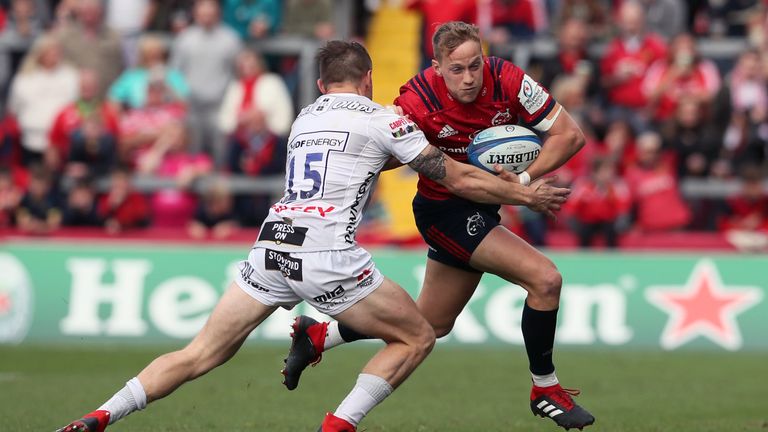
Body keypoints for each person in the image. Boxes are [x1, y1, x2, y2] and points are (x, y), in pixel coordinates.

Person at [54, 40, 569, 432]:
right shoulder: (383, 119)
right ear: (369, 79)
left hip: (271, 246)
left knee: (198, 355)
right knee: (417, 336)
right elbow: (452, 177)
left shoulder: (304, 118)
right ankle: (337, 425)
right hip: (327, 253)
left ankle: (102, 414)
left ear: (322, 85)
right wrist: (525, 194)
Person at [282, 22, 595, 431]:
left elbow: (569, 136)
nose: (468, 78)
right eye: (457, 70)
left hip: (484, 206)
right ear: (437, 67)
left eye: (474, 66)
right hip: (444, 210)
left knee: (431, 325)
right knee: (545, 280)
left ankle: (320, 335)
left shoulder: (508, 78)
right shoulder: (416, 99)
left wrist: (520, 179)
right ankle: (545, 389)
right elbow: (390, 155)